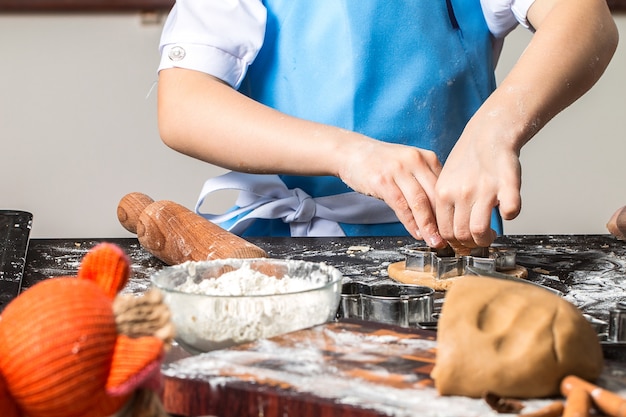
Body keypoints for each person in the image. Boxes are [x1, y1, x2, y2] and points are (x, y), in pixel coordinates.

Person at [156, 0, 618, 250]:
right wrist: (349, 153)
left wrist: (494, 131)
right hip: (278, 251)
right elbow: (183, 103)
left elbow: (585, 19)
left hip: (447, 245)